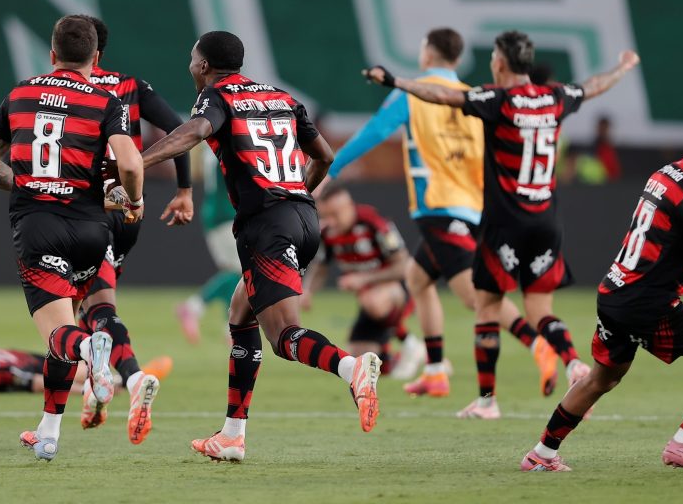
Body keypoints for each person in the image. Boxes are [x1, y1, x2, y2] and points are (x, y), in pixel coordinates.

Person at [363, 30, 640, 418]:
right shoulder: (555, 96)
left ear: (500, 62)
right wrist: (623, 68)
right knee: (540, 308)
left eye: (494, 56)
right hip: (546, 222)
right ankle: (573, 361)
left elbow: (441, 95)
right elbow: (593, 86)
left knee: (486, 308)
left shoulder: (497, 99)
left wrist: (396, 81)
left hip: (505, 224)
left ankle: (487, 401)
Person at [137, 30, 382, 462]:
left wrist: (137, 162)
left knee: (283, 335)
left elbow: (194, 132)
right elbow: (325, 156)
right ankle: (232, 435)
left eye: (193, 60)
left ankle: (351, 367)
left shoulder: (215, 96)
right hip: (304, 218)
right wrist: (298, 197)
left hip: (267, 226)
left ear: (203, 66)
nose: (191, 67)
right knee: (240, 312)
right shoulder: (281, 97)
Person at [331, 28, 558, 413]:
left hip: (439, 206)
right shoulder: (473, 96)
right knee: (418, 279)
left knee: (474, 295)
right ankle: (436, 370)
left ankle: (538, 344)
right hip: (473, 206)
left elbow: (376, 131)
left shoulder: (414, 92)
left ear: (427, 53)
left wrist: (330, 168)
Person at [521, 110, 683, 473]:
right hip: (649, 304)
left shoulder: (668, 172)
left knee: (602, 378)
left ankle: (541, 454)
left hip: (614, 293)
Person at [0, 15, 145, 461]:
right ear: (95, 57)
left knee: (61, 335)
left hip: (39, 227)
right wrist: (134, 200)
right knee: (74, 321)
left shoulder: (19, 94)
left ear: (52, 55)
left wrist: (28, 183)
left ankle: (92, 345)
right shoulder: (107, 100)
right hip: (91, 230)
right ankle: (48, 432)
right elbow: (130, 163)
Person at [75, 16, 193, 444]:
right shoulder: (130, 85)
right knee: (89, 303)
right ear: (100, 51)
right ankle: (94, 390)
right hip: (128, 206)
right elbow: (178, 130)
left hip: (84, 207)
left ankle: (133, 376)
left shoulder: (61, 90)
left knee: (95, 305)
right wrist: (184, 189)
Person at [302, 181, 421, 379]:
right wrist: (307, 291)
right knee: (359, 359)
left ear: (349, 207)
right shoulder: (327, 233)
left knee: (373, 300)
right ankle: (414, 357)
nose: (331, 221)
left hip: (399, 292)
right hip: (369, 301)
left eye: (335, 215)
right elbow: (321, 267)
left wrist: (364, 278)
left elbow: (404, 266)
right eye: (325, 216)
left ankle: (409, 342)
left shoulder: (373, 223)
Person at [175, 150, 240, 345]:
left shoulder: (211, 150)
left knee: (234, 274)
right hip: (225, 213)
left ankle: (230, 328)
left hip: (216, 211)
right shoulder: (226, 148)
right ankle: (193, 307)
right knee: (241, 272)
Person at [0, 345, 173, 394]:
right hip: (38, 367)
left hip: (34, 359)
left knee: (85, 367)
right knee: (81, 371)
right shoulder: (0, 375)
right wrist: (83, 391)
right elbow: (38, 383)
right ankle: (131, 380)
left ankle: (129, 378)